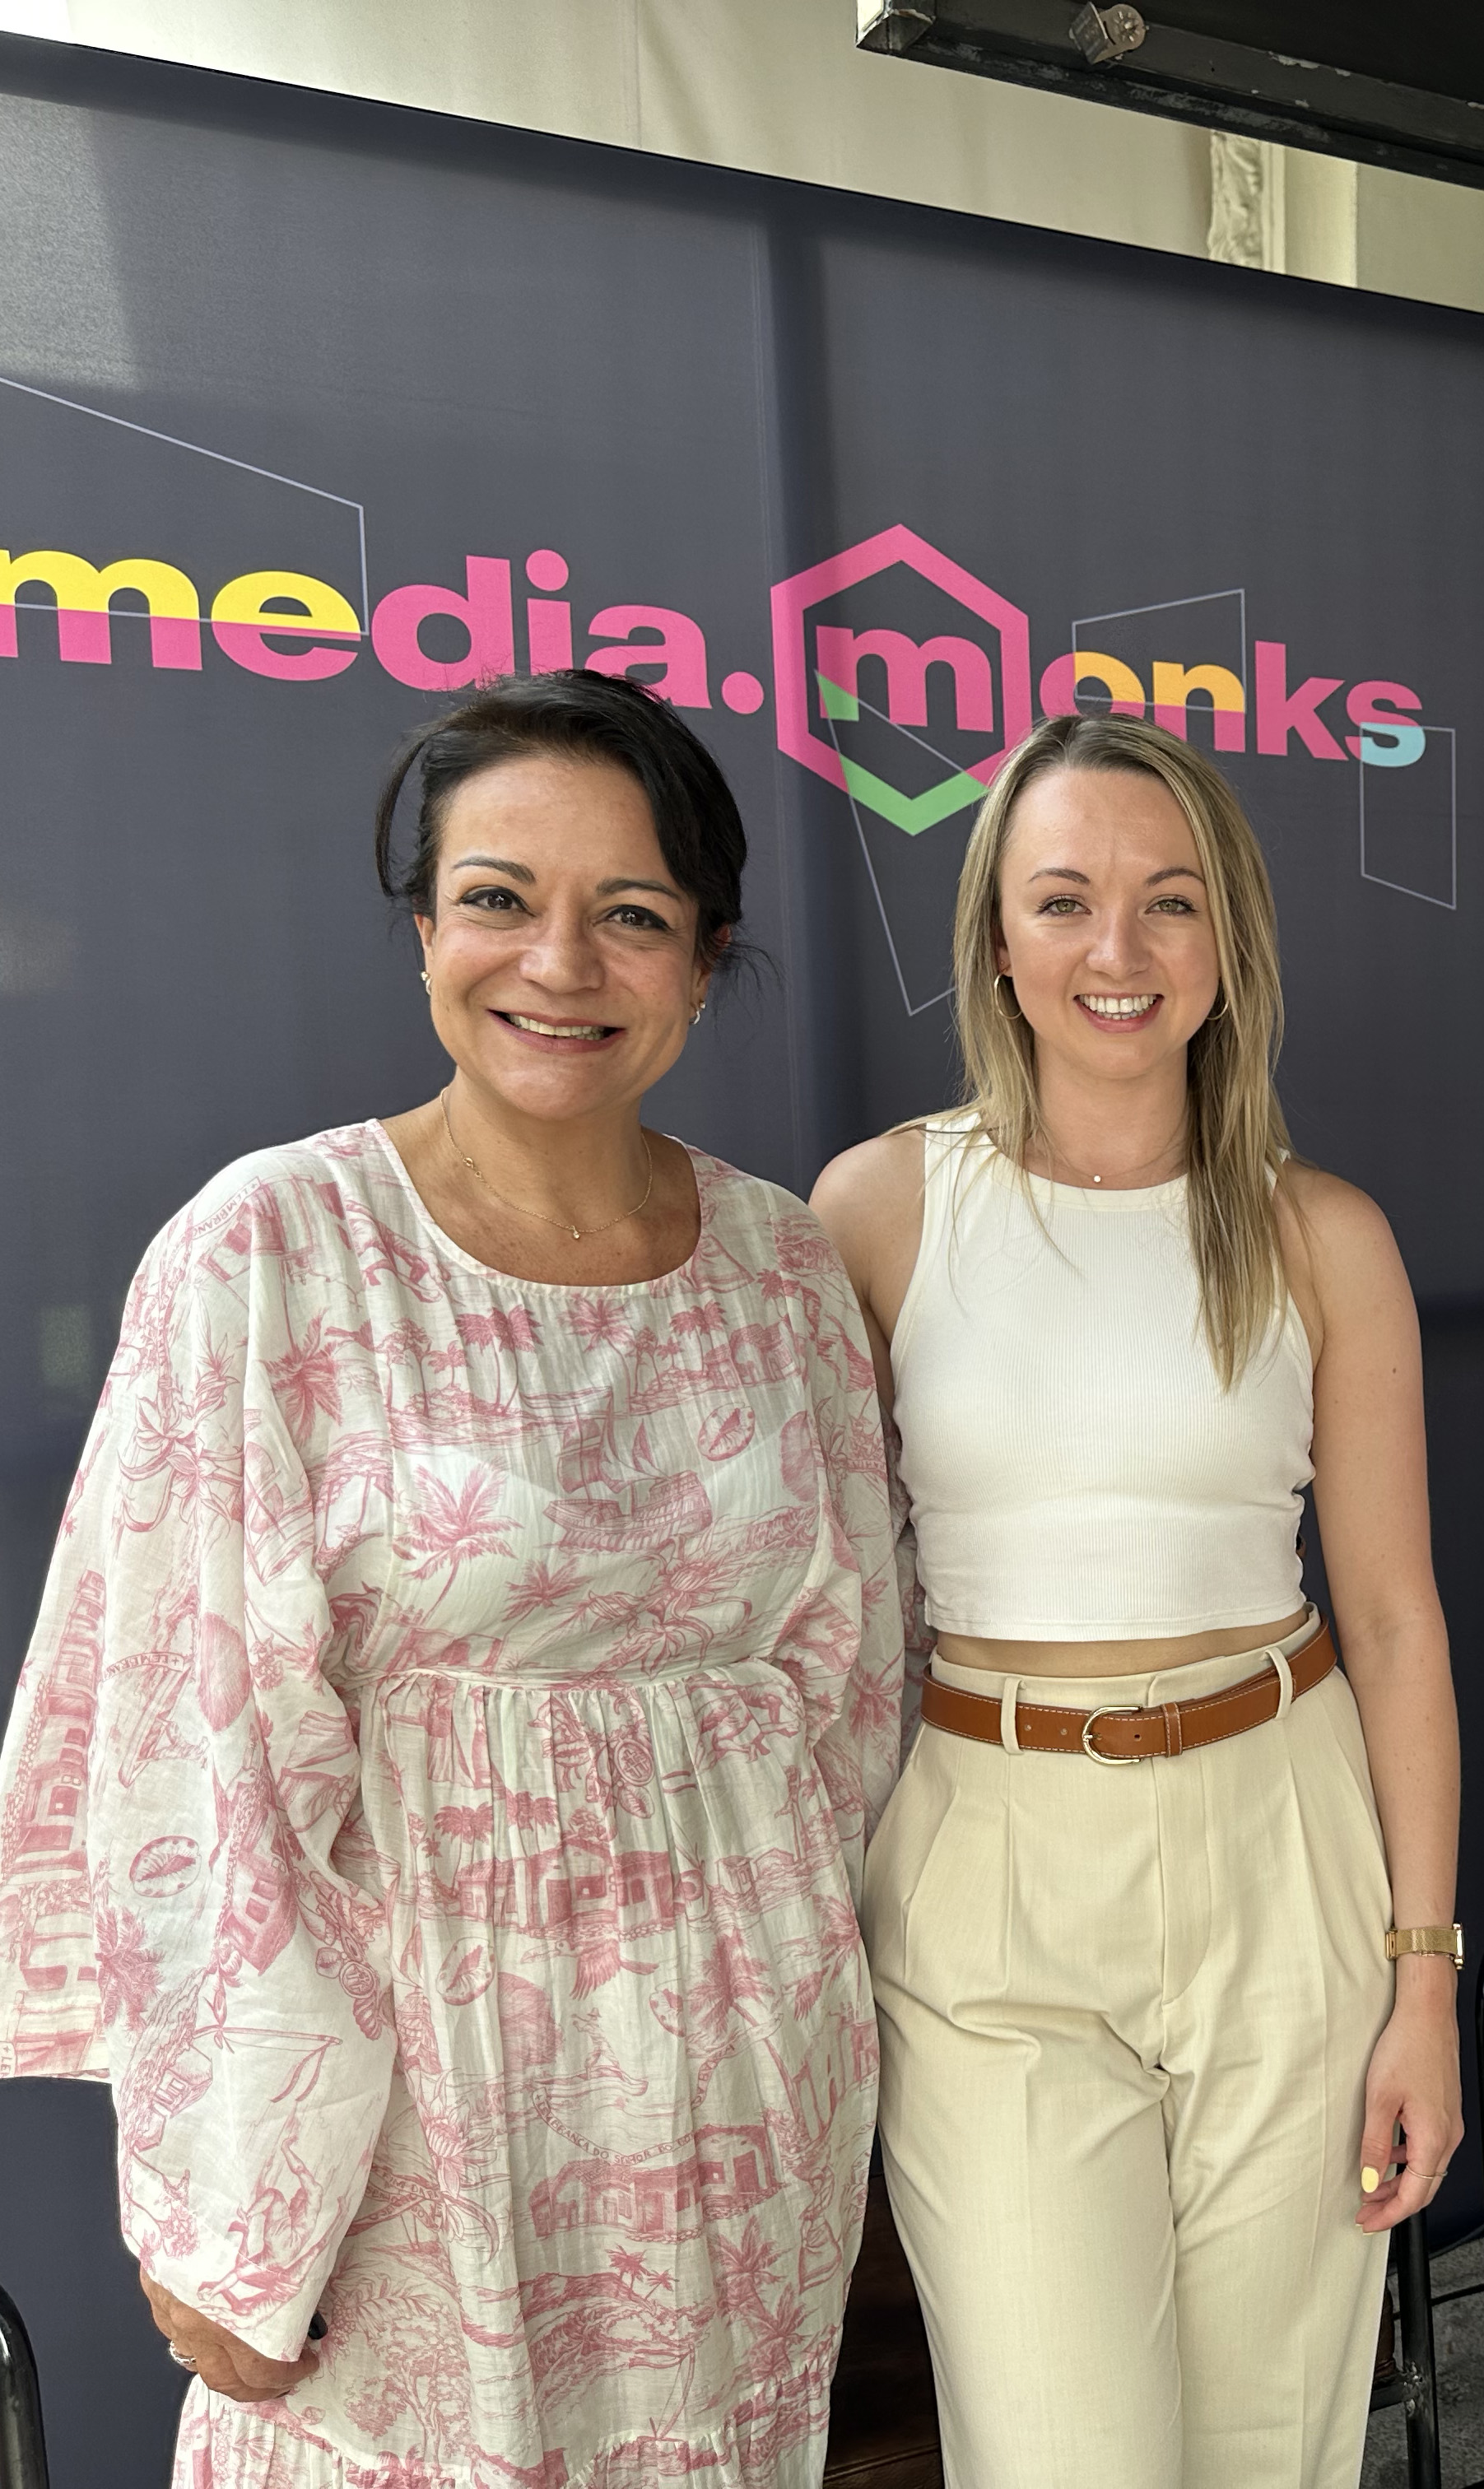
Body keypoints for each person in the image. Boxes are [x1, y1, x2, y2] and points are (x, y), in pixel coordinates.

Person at [0, 672, 907, 2485]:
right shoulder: (273, 1250)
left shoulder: (783, 1266)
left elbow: (847, 1685)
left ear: (706, 959)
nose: (558, 962)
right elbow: (188, 1756)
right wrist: (231, 2195)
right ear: (424, 926)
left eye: (629, 914)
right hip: (409, 2106)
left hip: (737, 2096)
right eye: (498, 897)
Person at [810, 709, 1462, 2489]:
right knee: (1061, 2458)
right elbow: (824, 1612)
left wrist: (1421, 1983)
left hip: (1284, 1854)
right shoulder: (878, 1208)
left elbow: (1397, 1620)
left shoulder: (1321, 1232)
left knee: (1272, 2451)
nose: (1119, 949)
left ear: (1230, 939)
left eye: (1169, 904)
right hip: (989, 1868)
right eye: (1067, 901)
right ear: (997, 938)